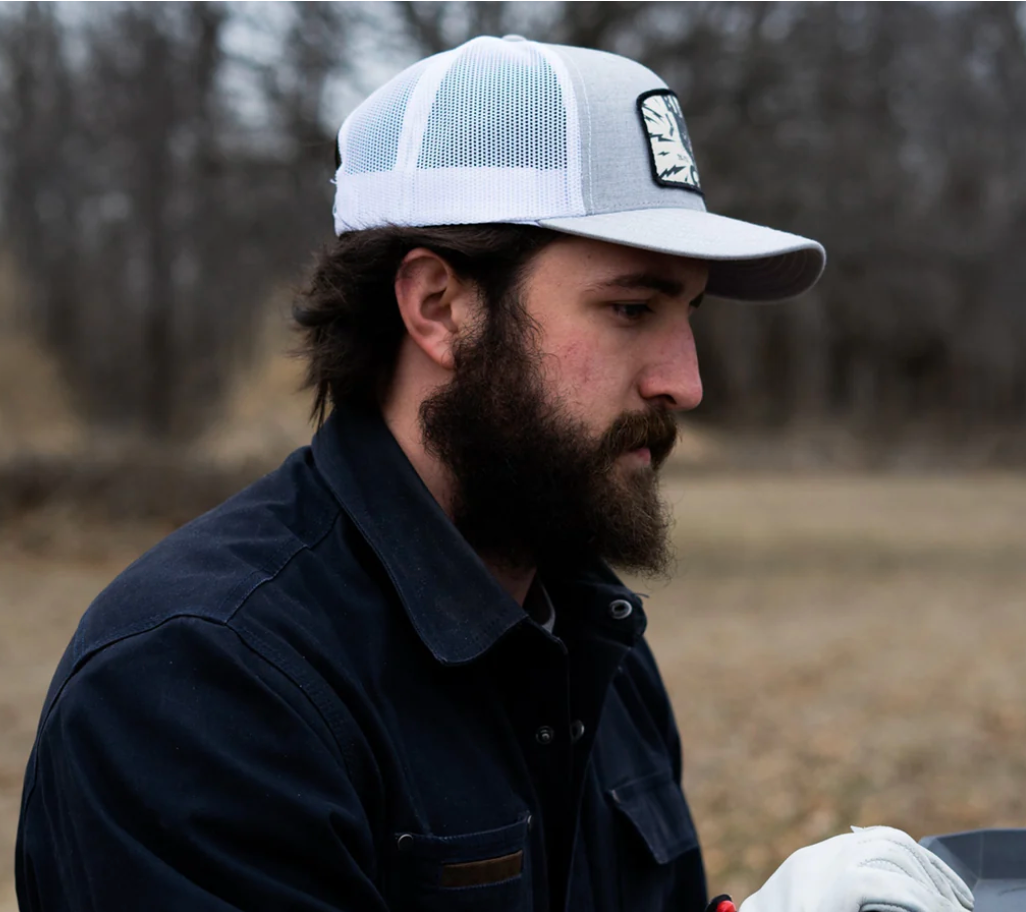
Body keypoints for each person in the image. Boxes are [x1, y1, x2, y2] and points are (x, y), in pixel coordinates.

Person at [16, 35, 972, 912]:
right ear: (438, 307)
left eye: (689, 316)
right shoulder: (200, 687)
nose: (685, 382)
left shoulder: (591, 644)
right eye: (631, 309)